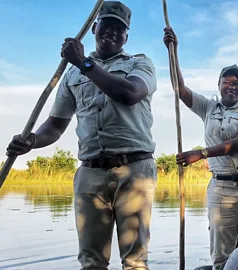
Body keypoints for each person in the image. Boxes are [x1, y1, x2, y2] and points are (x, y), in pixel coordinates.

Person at [6, 1, 158, 269]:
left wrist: (83, 61)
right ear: (94, 29)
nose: (111, 32)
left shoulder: (140, 63)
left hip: (134, 170)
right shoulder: (72, 74)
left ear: (126, 36)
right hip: (90, 173)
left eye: (118, 29)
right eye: (106, 26)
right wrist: (31, 141)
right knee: (91, 261)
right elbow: (54, 126)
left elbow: (129, 94)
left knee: (135, 261)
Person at [163, 28, 238, 269]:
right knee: (221, 250)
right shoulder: (208, 107)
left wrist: (201, 153)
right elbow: (180, 89)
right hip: (221, 187)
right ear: (218, 84)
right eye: (227, 82)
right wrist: (173, 51)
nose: (232, 86)